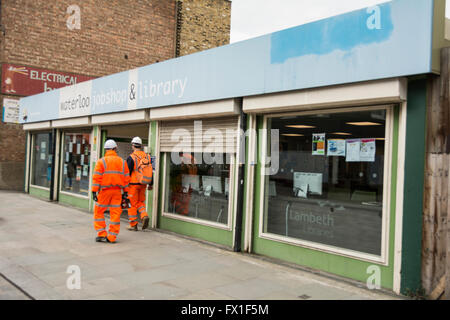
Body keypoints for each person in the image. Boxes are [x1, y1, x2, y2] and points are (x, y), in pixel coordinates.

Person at [91, 139, 130, 243]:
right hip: (117, 192)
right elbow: (126, 178)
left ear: (106, 149)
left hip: (104, 191)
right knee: (115, 214)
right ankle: (112, 237)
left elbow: (96, 178)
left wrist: (94, 191)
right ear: (115, 148)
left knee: (98, 212)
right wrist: (126, 192)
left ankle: (102, 234)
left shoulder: (101, 161)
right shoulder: (122, 162)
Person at [126, 137, 151, 231]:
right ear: (140, 145)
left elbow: (127, 172)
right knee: (140, 202)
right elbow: (149, 170)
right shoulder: (147, 156)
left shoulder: (131, 157)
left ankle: (133, 225)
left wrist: (124, 185)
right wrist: (150, 184)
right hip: (143, 184)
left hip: (133, 184)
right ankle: (144, 215)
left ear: (133, 145)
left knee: (132, 204)